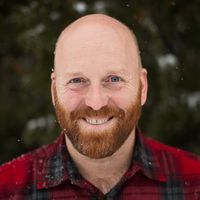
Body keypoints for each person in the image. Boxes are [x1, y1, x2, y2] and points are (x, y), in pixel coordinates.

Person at [0, 14, 200, 200]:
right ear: (54, 91)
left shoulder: (194, 184)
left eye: (114, 79)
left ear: (143, 87)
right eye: (77, 80)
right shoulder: (7, 190)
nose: (96, 102)